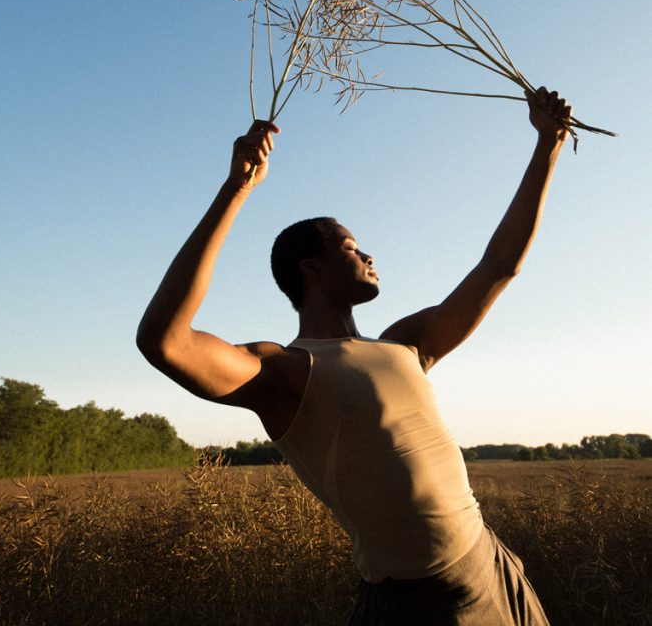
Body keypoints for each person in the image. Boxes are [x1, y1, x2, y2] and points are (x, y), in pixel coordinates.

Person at [137, 86, 572, 625]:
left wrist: (547, 146)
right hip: (418, 602)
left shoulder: (405, 344)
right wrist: (236, 190)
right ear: (311, 269)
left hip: (491, 566)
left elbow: (499, 265)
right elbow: (166, 341)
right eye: (348, 247)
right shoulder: (284, 371)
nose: (368, 255)